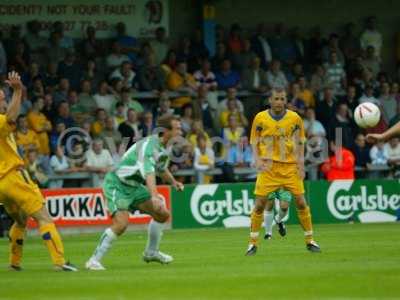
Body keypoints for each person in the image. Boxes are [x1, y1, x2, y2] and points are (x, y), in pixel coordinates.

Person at [85, 115, 184, 270]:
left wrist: (173, 182)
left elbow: (160, 169)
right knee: (121, 224)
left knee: (162, 214)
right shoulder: (149, 146)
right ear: (166, 131)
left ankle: (151, 252)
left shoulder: (164, 148)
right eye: (177, 128)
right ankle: (93, 260)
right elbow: (149, 172)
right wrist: (154, 195)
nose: (181, 131)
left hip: (134, 186)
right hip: (118, 184)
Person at [0, 71, 77, 271]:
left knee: (20, 220)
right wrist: (17, 91)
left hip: (1, 185)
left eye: (4, 98)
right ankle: (59, 262)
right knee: (44, 217)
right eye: (1, 99)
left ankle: (14, 263)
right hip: (13, 176)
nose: (4, 101)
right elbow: (11, 117)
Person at [246, 88, 320, 256]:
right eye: (276, 99)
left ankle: (310, 240)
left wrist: (301, 164)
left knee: (301, 202)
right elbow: (254, 141)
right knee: (259, 205)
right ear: (270, 100)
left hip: (289, 167)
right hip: (268, 167)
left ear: (285, 100)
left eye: (282, 98)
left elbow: (301, 142)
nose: (279, 101)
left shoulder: (295, 118)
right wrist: (257, 159)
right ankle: (252, 243)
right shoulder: (260, 118)